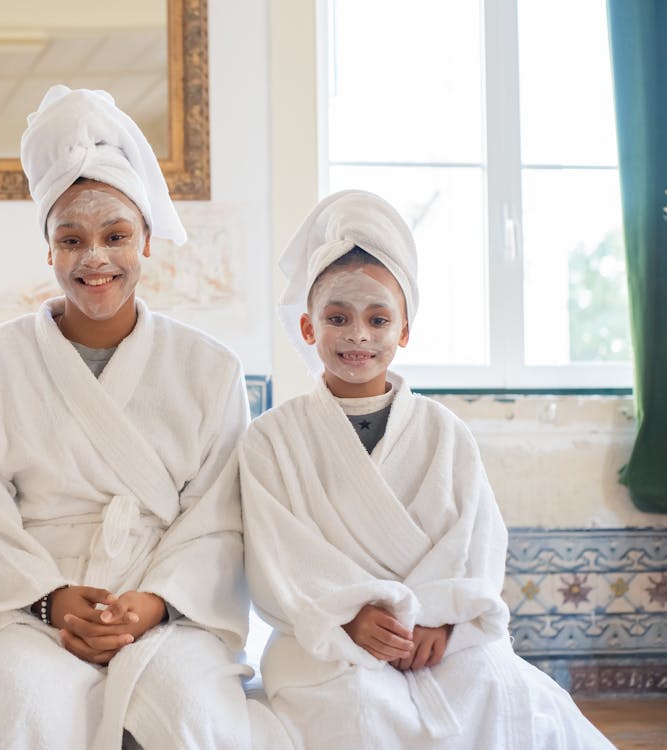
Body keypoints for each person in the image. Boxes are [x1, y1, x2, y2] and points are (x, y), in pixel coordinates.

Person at [0, 85, 286, 749]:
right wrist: (53, 598)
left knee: (189, 706)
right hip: (29, 606)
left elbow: (218, 518)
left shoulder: (209, 369)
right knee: (20, 697)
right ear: (48, 250)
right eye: (71, 239)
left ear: (146, 243)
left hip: (167, 606)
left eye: (115, 236)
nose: (95, 258)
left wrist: (153, 603)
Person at [239, 189, 615, 749]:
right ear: (309, 328)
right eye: (337, 317)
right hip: (328, 641)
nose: (358, 335)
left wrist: (441, 621)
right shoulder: (270, 439)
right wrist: (349, 619)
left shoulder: (445, 433)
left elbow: (478, 540)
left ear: (405, 331)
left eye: (378, 318)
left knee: (501, 693)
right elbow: (277, 560)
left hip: (439, 637)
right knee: (357, 715)